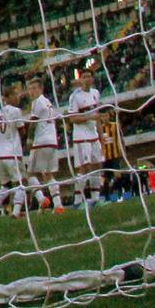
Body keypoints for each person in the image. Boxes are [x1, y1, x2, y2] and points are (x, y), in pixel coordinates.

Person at [25, 77, 65, 213]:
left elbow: (33, 123)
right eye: (30, 89)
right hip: (52, 141)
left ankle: (42, 199)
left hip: (41, 142)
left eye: (35, 88)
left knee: (30, 174)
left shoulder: (37, 102)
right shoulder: (49, 103)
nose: (32, 91)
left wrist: (29, 140)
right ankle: (58, 204)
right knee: (48, 175)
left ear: (41, 89)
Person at [67, 69, 104, 207]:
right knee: (84, 168)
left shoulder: (95, 93)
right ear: (80, 80)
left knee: (97, 166)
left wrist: (101, 136)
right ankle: (77, 202)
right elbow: (72, 118)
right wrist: (89, 117)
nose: (87, 79)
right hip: (81, 137)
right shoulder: (75, 96)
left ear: (92, 79)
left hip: (94, 136)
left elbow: (97, 116)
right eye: (84, 77)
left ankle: (96, 199)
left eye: (89, 76)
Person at [0, 85, 26, 220]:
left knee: (5, 185)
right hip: (12, 153)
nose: (18, 97)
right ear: (8, 97)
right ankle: (16, 212)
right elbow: (22, 131)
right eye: (15, 95)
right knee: (20, 183)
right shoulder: (16, 111)